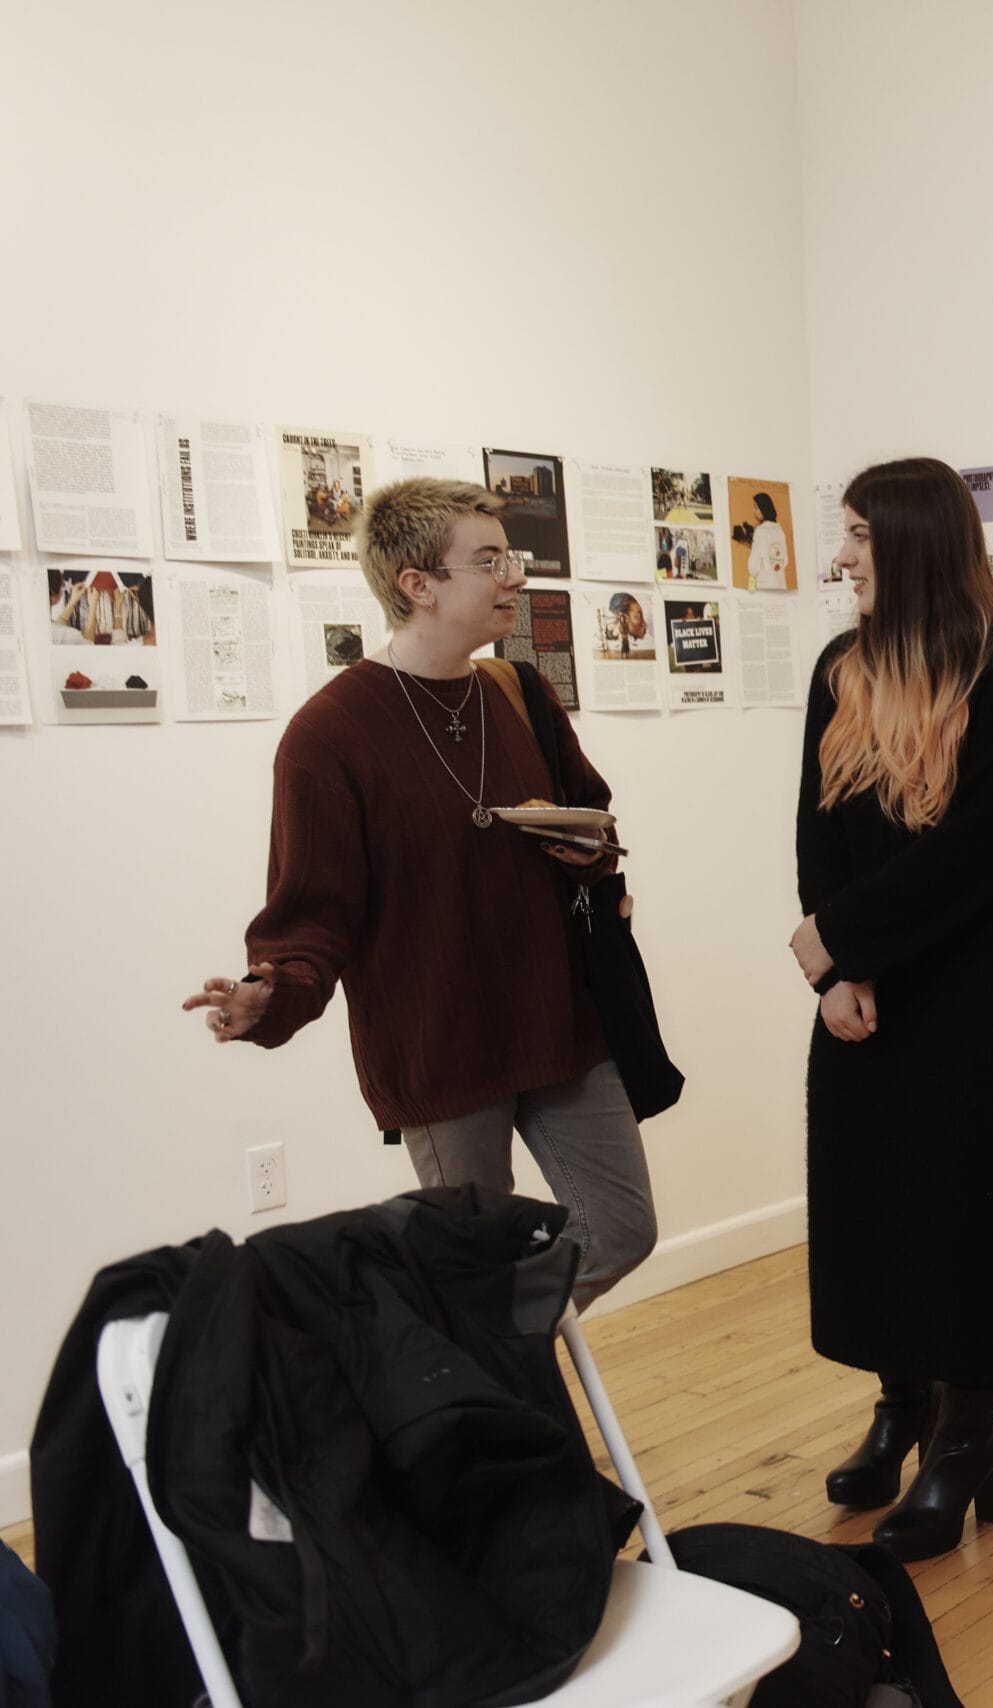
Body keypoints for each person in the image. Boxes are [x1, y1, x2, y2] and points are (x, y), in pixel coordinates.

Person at [179, 478, 656, 1308]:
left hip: (560, 1023)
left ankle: (481, 1355)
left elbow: (598, 823)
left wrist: (581, 843)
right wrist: (272, 992)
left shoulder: (521, 693)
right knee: (465, 1263)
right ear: (418, 584)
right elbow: (311, 911)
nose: (514, 577)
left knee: (619, 1227)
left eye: (509, 556)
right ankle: (477, 1393)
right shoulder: (328, 736)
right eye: (489, 560)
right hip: (439, 1045)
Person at [792, 457, 993, 1560]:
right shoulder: (841, 667)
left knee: (979, 1199)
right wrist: (835, 970)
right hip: (876, 974)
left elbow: (986, 851)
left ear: (913, 543)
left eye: (860, 537)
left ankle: (969, 1433)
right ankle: (900, 1402)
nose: (841, 556)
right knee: (881, 1195)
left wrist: (838, 940)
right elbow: (819, 831)